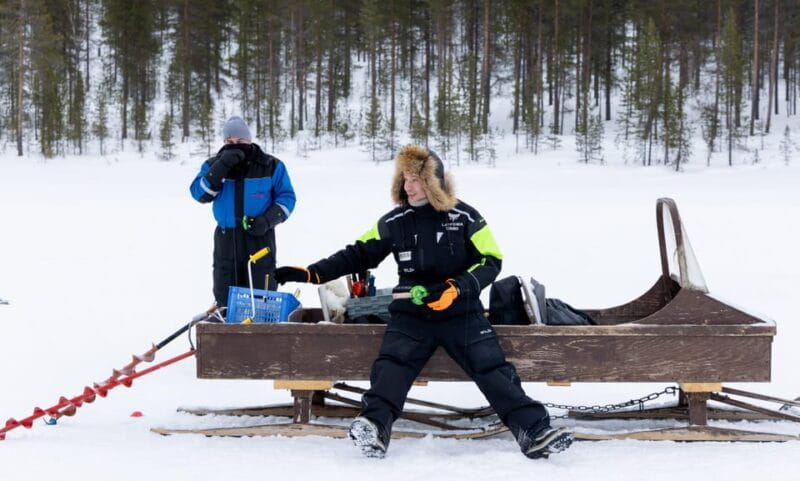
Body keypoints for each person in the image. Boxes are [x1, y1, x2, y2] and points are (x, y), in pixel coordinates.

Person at [274, 144, 572, 459]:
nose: (408, 186)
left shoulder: (466, 216)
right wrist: (312, 273)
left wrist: (457, 288)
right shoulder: (395, 220)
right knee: (392, 366)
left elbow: (491, 259)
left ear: (433, 182)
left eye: (416, 179)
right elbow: (357, 253)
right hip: (411, 315)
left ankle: (534, 431)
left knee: (492, 367)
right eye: (404, 179)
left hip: (461, 313)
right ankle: (374, 428)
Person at [190, 116, 296, 310]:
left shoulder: (271, 166)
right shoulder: (213, 165)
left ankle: (262, 334)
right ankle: (227, 334)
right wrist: (220, 167)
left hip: (259, 239)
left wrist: (267, 220)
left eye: (240, 142)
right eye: (230, 142)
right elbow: (199, 194)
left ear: (249, 141)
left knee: (261, 295)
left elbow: (287, 198)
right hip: (226, 239)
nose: (235, 146)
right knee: (226, 296)